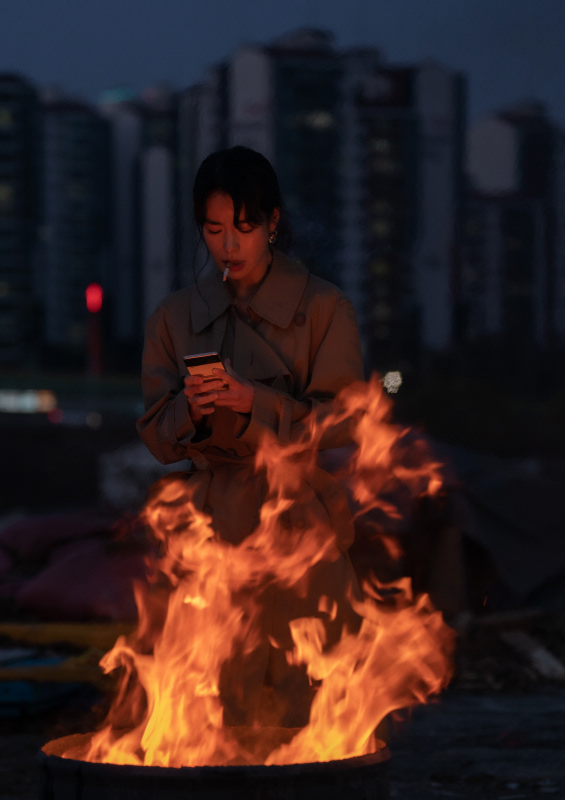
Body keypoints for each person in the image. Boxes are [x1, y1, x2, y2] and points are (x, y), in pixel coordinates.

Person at [137, 145, 365, 727]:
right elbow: (158, 439)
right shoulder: (174, 318)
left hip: (299, 524)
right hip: (210, 527)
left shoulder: (323, 308)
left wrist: (253, 401)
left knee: (307, 704)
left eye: (244, 227)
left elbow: (343, 423)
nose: (229, 245)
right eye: (214, 230)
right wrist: (190, 406)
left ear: (273, 223)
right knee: (211, 702)